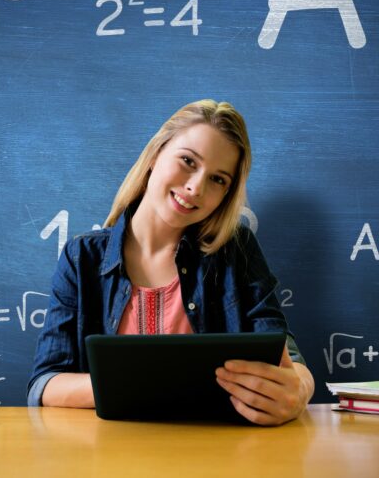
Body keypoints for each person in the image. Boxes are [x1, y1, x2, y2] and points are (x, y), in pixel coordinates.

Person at [27, 99, 314, 425]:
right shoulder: (82, 259)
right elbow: (44, 385)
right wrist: (147, 383)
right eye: (188, 161)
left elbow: (285, 356)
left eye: (218, 179)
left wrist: (301, 388)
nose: (195, 188)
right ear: (154, 155)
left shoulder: (236, 250)